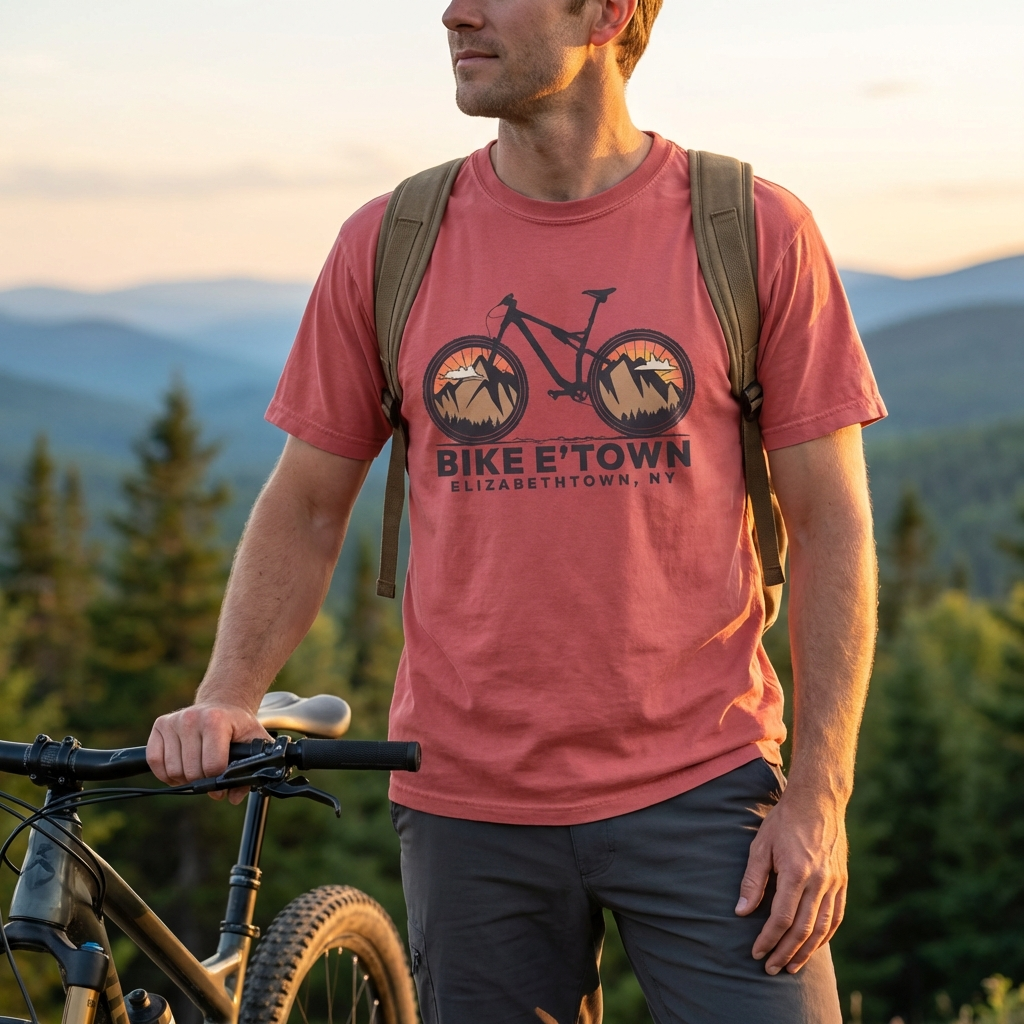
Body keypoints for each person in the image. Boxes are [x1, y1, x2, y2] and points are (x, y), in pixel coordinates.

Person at [147, 1, 886, 1021]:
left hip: (707, 787)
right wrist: (229, 691)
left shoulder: (751, 231)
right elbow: (308, 504)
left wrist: (818, 796)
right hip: (467, 805)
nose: (454, 13)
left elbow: (831, 525)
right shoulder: (391, 241)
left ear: (608, 14)